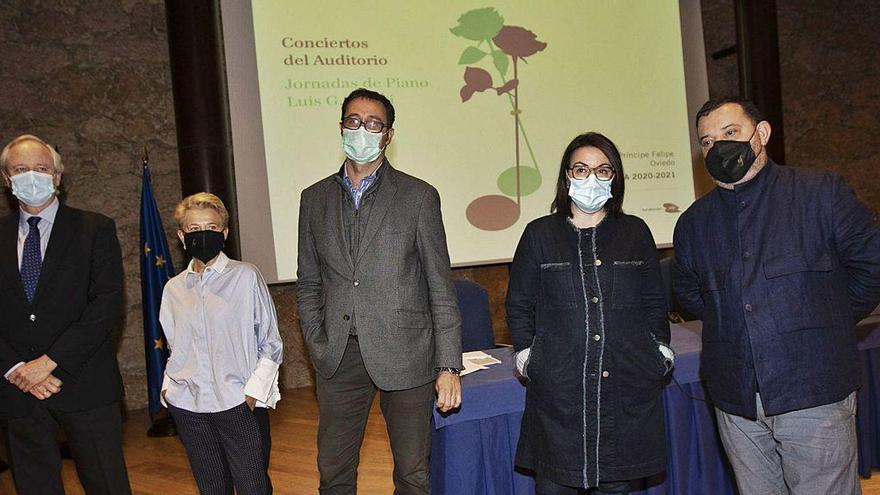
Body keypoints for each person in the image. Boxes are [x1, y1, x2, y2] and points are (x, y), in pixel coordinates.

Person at [673, 98, 880, 495]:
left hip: (814, 391)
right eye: (708, 142)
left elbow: (872, 267)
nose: (718, 147)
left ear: (761, 134)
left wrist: (824, 319)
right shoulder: (693, 223)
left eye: (730, 133)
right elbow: (691, 295)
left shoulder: (819, 193)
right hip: (737, 402)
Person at [297, 88, 463, 494]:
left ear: (388, 135)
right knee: (333, 474)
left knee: (412, 473)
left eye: (374, 124)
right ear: (341, 126)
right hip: (338, 354)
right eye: (354, 121)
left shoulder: (418, 196)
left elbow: (439, 286)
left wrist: (447, 366)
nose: (363, 130)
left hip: (406, 353)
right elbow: (309, 281)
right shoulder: (313, 198)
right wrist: (316, 340)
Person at [506, 132, 673, 495]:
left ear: (616, 177)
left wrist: (659, 350)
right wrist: (526, 356)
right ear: (567, 177)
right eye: (581, 169)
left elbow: (653, 302)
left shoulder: (635, 232)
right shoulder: (539, 234)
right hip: (558, 401)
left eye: (602, 170)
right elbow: (519, 303)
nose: (591, 178)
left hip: (624, 393)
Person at [0, 134, 132, 493]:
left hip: (85, 384)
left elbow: (105, 306)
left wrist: (49, 361)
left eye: (41, 169)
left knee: (107, 484)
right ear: (7, 180)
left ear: (57, 177)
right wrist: (17, 369)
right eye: (21, 169)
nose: (32, 176)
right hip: (18, 389)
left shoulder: (95, 229)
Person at [159, 192, 282, 495]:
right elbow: (176, 348)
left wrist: (251, 396)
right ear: (181, 235)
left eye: (212, 228)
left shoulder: (246, 277)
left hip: (238, 404)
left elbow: (271, 343)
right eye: (194, 229)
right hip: (189, 407)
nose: (203, 235)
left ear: (224, 233)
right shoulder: (173, 289)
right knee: (212, 489)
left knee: (254, 488)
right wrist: (168, 391)